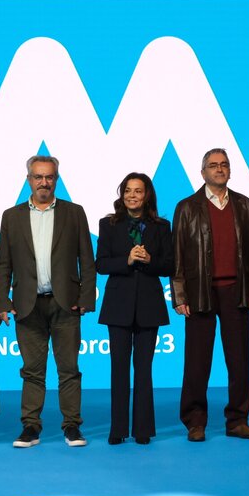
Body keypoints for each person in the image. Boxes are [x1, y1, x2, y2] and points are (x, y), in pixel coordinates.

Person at [0, 154, 96, 448]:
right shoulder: (11, 216)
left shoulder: (74, 213)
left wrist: (86, 297)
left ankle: (72, 426)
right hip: (27, 305)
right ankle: (30, 427)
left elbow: (87, 259)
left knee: (69, 369)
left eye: (49, 177)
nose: (44, 182)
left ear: (56, 180)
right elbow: (3, 264)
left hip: (66, 304)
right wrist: (1, 302)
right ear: (29, 180)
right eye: (38, 177)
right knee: (32, 371)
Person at [171, 148, 249, 442]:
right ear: (203, 173)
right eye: (213, 165)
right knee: (197, 362)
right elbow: (177, 255)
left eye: (224, 164)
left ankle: (238, 420)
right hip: (200, 292)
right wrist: (179, 295)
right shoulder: (187, 207)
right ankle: (195, 421)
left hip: (236, 291)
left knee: (239, 361)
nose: (219, 169)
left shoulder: (244, 205)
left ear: (230, 170)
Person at [95, 172, 173, 445]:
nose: (132, 195)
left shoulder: (161, 226)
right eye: (128, 190)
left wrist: (150, 260)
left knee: (143, 369)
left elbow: (170, 265)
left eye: (138, 191)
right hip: (118, 306)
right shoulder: (109, 224)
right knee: (118, 369)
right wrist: (126, 260)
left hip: (149, 306)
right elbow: (101, 264)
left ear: (147, 195)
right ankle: (117, 429)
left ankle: (143, 429)